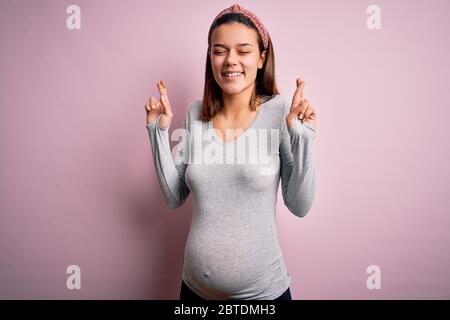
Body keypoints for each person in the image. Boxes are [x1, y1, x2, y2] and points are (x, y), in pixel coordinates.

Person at [144, 4, 317, 300]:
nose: (230, 60)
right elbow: (174, 197)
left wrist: (303, 140)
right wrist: (157, 132)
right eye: (220, 50)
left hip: (263, 297)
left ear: (261, 58)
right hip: (194, 292)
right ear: (210, 57)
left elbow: (299, 205)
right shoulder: (195, 113)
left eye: (243, 50)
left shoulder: (280, 112)